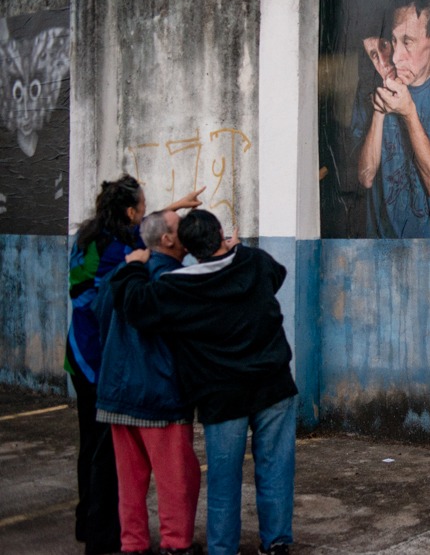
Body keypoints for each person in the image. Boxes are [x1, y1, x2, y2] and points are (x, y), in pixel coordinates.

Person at [111, 209, 298, 555]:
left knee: (223, 480)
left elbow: (136, 307)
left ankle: (222, 549)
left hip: (221, 396)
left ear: (189, 247)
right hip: (273, 385)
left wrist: (134, 266)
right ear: (222, 233)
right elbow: (277, 275)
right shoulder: (253, 261)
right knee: (275, 469)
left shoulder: (179, 284)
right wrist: (237, 251)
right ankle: (276, 543)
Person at [65, 175, 203, 555]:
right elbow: (146, 243)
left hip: (85, 355)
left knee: (98, 452)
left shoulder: (92, 237)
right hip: (99, 357)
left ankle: (101, 530)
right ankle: (102, 533)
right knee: (107, 458)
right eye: (144, 205)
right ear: (129, 213)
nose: (147, 212)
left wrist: (176, 206)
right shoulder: (123, 255)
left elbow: (150, 228)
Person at [352, 0, 430, 238]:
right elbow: (365, 178)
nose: (396, 57)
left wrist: (408, 112)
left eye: (407, 42)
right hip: (381, 246)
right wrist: (378, 111)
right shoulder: (371, 89)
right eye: (393, 42)